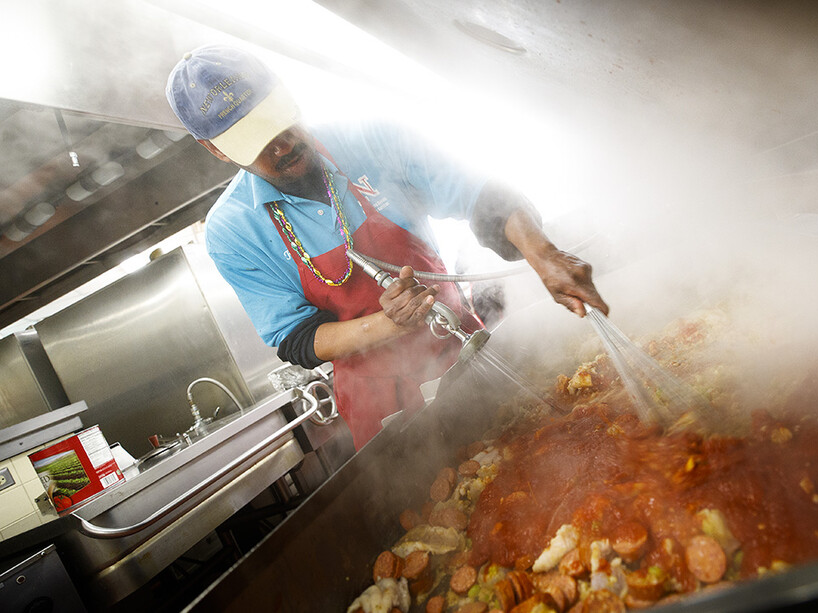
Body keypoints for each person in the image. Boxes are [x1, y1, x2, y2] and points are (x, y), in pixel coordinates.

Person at [165, 45, 608, 448]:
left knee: (544, 449)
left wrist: (543, 254)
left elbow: (479, 193)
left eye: (280, 120)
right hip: (376, 402)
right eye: (258, 141)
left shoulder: (371, 138)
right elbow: (296, 338)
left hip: (462, 350)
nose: (284, 144)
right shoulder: (233, 231)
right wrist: (392, 324)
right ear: (216, 150)